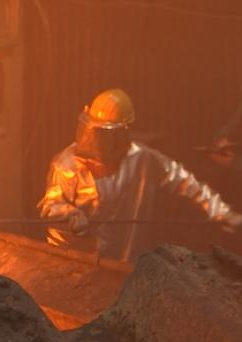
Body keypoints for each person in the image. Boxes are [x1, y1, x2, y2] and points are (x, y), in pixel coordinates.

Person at [38, 88, 242, 262]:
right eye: (96, 132)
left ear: (123, 132)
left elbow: (188, 184)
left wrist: (224, 215)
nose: (99, 141)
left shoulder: (142, 160)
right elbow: (50, 206)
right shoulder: (67, 165)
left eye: (106, 134)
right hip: (75, 266)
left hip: (126, 267)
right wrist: (69, 214)